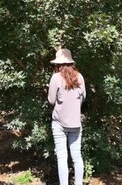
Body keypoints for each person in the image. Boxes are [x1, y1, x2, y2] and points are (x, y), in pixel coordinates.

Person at [48, 48, 86, 185]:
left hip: (59, 123)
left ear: (58, 65)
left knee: (62, 158)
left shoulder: (55, 78)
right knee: (77, 156)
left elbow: (51, 100)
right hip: (76, 123)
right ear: (71, 63)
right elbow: (83, 97)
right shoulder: (80, 77)